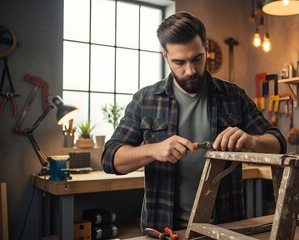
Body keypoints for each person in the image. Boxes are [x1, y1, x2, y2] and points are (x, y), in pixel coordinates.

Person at [101, 11, 286, 232]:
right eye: (179, 62)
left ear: (206, 49)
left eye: (197, 58)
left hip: (225, 228)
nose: (190, 71)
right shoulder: (145, 100)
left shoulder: (234, 96)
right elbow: (110, 159)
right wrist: (153, 151)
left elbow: (278, 144)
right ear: (165, 56)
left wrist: (251, 142)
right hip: (164, 230)